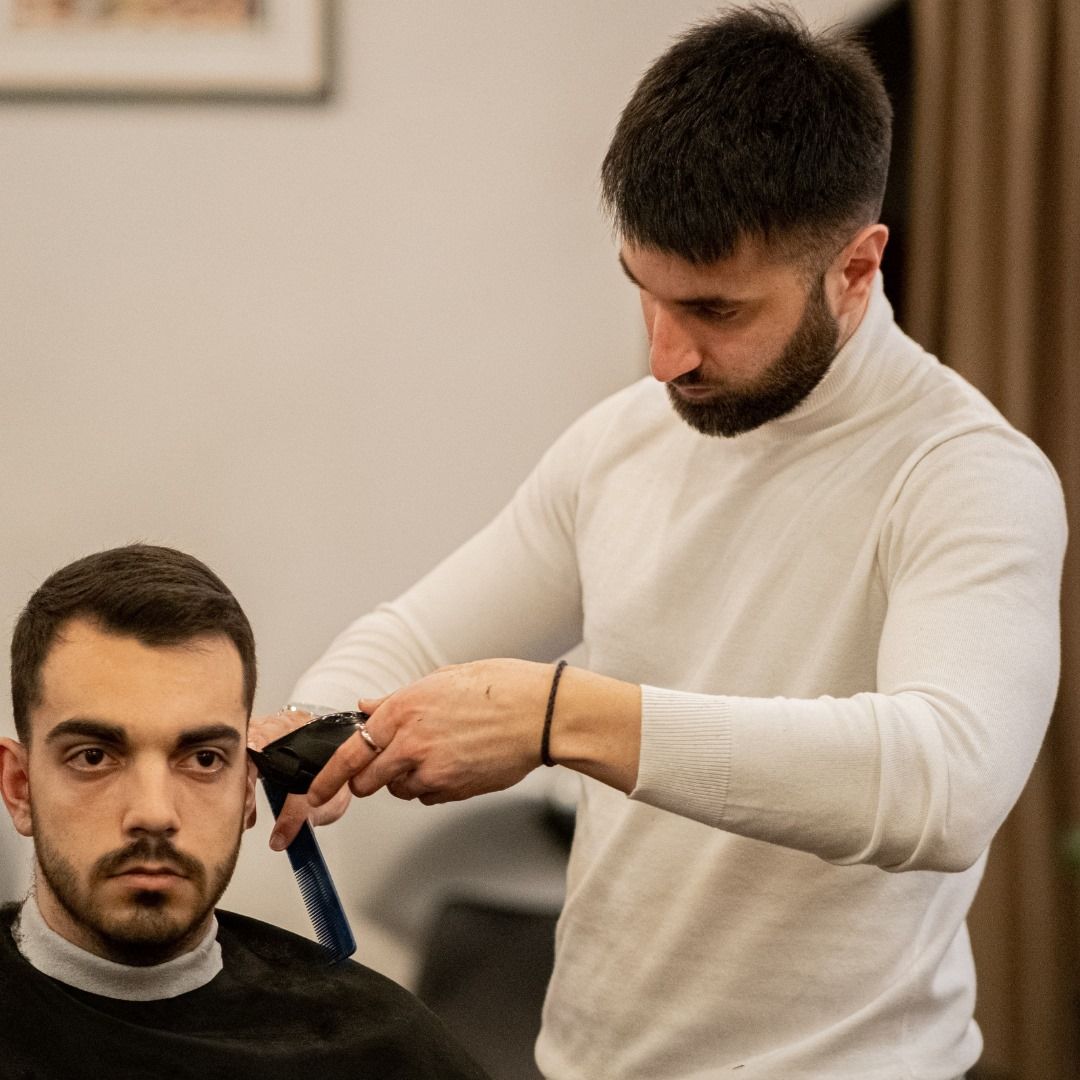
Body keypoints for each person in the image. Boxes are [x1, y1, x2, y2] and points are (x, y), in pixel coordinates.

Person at [261, 7, 1067, 1079]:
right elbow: (417, 634)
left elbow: (944, 786)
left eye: (714, 310)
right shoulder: (622, 444)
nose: (664, 357)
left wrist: (561, 718)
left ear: (858, 267)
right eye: (643, 292)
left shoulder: (969, 476)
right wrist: (311, 725)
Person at [0, 544, 488, 1080]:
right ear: (19, 787)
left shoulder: (383, 1057)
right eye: (94, 757)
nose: (154, 812)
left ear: (249, 791)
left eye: (204, 759)